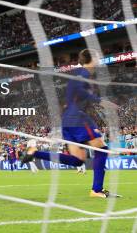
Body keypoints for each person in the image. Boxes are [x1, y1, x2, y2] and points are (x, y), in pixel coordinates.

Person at [21, 49, 121, 198]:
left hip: (68, 120)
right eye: (97, 57)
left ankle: (35, 152)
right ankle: (96, 190)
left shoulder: (80, 75)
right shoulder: (84, 74)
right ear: (91, 59)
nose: (100, 59)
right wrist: (100, 101)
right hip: (78, 118)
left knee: (77, 160)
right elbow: (80, 91)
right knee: (102, 150)